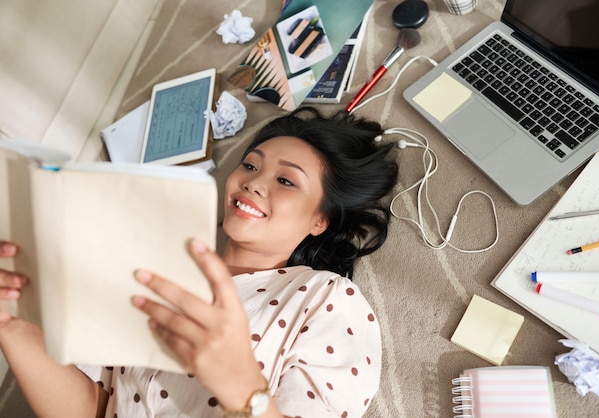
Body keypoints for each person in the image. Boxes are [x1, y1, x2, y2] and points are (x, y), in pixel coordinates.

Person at [0, 107, 398, 418]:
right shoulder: (152, 272)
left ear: (319, 220)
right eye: (251, 165)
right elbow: (96, 408)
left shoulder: (326, 298)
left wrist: (241, 385)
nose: (253, 182)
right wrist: (12, 326)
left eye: (286, 180)